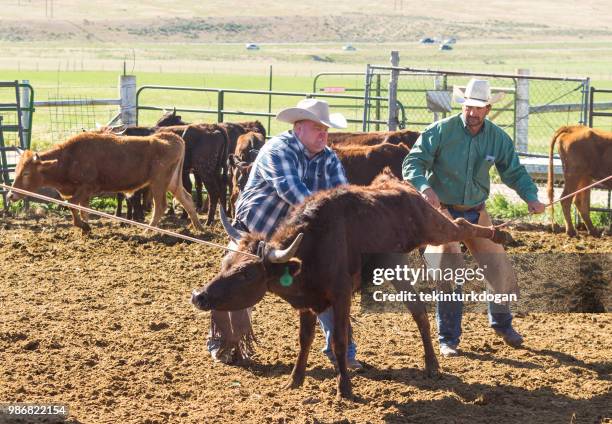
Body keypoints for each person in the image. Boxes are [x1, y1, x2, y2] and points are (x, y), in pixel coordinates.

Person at [208, 98, 362, 369]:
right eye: (317, 128)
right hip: (256, 232)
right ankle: (226, 343)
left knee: (326, 283)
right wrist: (329, 221)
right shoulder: (278, 149)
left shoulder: (328, 158)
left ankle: (343, 352)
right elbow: (294, 194)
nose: (323, 134)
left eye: (325, 128)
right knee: (231, 280)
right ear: (298, 127)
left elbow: (343, 196)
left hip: (298, 237)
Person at [402, 79, 546, 357]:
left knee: (498, 265)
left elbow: (513, 172)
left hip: (476, 211)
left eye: (478, 108)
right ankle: (448, 339)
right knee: (449, 269)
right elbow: (413, 163)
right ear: (463, 105)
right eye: (469, 107)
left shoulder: (497, 138)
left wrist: (531, 197)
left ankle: (503, 324)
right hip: (442, 212)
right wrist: (424, 187)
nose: (472, 113)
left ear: (488, 109)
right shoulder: (441, 131)